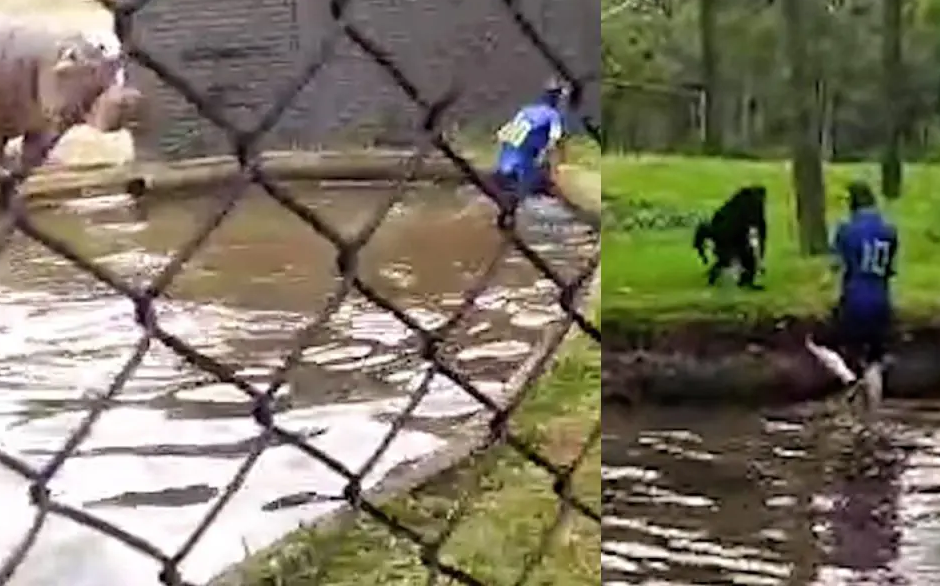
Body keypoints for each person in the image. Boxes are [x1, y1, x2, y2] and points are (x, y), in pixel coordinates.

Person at [830, 181, 899, 375]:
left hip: (855, 301)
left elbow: (836, 265)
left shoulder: (846, 229)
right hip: (882, 302)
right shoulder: (889, 231)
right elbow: (890, 269)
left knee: (849, 356)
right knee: (876, 356)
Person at [489, 77, 569, 226]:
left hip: (505, 160)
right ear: (557, 98)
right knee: (545, 191)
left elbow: (502, 134)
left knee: (508, 201)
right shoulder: (553, 116)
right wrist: (553, 161)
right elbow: (554, 141)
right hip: (523, 164)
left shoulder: (525, 111)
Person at [692, 185, 768, 290]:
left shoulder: (737, 200)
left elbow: (718, 217)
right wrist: (762, 255)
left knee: (733, 257)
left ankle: (738, 279)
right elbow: (761, 229)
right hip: (732, 233)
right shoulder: (755, 204)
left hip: (724, 231)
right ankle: (743, 280)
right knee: (742, 257)